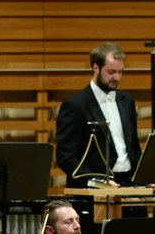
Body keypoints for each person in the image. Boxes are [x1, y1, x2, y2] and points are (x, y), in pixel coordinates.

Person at [54, 42, 142, 187]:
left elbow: (134, 148)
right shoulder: (75, 105)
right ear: (96, 68)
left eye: (120, 72)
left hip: (128, 184)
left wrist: (145, 176)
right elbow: (66, 157)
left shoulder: (127, 100)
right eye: (112, 72)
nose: (117, 78)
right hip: (94, 189)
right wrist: (97, 182)